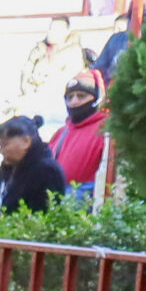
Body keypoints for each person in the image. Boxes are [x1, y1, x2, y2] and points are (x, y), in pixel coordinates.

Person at [0, 116, 69, 231]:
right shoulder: (2, 172)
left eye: (4, 145)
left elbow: (43, 221)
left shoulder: (47, 172)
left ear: (26, 141)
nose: (1, 151)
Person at [52, 71, 109, 199]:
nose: (74, 101)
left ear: (96, 98)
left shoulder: (107, 128)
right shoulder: (61, 133)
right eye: (70, 97)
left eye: (81, 96)